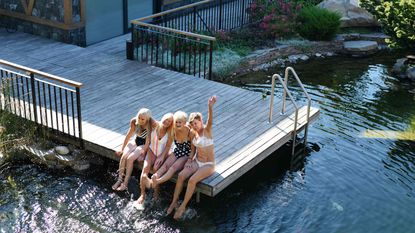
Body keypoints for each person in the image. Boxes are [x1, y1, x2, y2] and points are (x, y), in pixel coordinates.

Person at [168, 96, 217, 219]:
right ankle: (174, 201)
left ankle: (183, 206)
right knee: (180, 175)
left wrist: (210, 107)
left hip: (208, 165)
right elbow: (193, 149)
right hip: (196, 161)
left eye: (196, 123)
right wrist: (189, 160)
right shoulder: (193, 133)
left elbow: (210, 120)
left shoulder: (207, 130)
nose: (195, 126)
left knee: (191, 180)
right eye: (193, 124)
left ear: (201, 121)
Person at [151, 111, 195, 197]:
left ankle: (158, 181)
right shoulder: (173, 131)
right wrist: (162, 156)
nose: (178, 124)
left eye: (180, 122)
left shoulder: (190, 132)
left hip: (187, 154)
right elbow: (168, 145)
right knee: (165, 165)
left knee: (173, 167)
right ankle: (155, 176)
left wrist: (190, 160)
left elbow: (193, 149)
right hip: (177, 150)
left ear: (184, 122)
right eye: (176, 122)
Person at [112, 108, 155, 191]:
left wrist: (143, 154)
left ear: (147, 119)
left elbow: (147, 142)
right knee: (124, 156)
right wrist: (122, 148)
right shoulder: (134, 122)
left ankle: (125, 183)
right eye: (139, 118)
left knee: (130, 158)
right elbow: (128, 135)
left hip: (143, 145)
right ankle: (119, 179)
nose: (140, 120)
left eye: (143, 119)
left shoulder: (149, 125)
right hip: (136, 141)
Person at [136, 113, 174, 205]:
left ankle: (156, 192)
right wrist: (143, 152)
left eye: (169, 121)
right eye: (166, 119)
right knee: (145, 169)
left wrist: (161, 157)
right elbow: (147, 115)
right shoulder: (154, 125)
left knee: (156, 169)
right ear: (162, 118)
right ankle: (142, 194)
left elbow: (168, 146)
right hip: (151, 151)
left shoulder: (170, 132)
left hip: (163, 153)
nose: (167, 122)